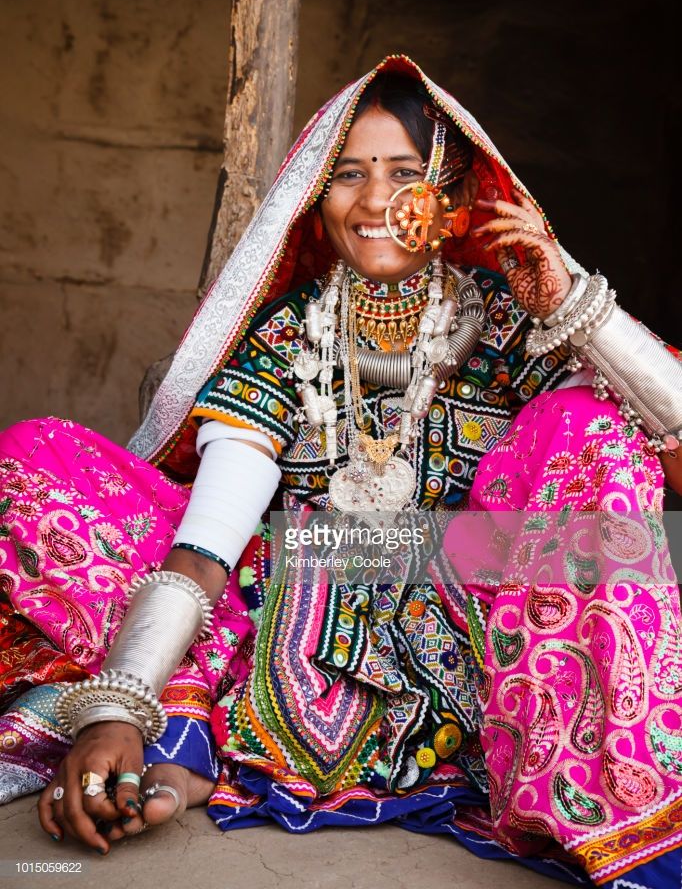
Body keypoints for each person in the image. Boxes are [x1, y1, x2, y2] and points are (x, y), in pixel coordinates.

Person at [0, 55, 680, 887]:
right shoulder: (287, 339)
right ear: (315, 199)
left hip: (478, 614)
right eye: (348, 175)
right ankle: (176, 722)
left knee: (588, 420)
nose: (374, 202)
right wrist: (117, 708)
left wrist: (574, 306)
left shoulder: (512, 323)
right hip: (289, 588)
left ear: (457, 197)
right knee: (37, 458)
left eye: (405, 174)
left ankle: (588, 776)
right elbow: (208, 543)